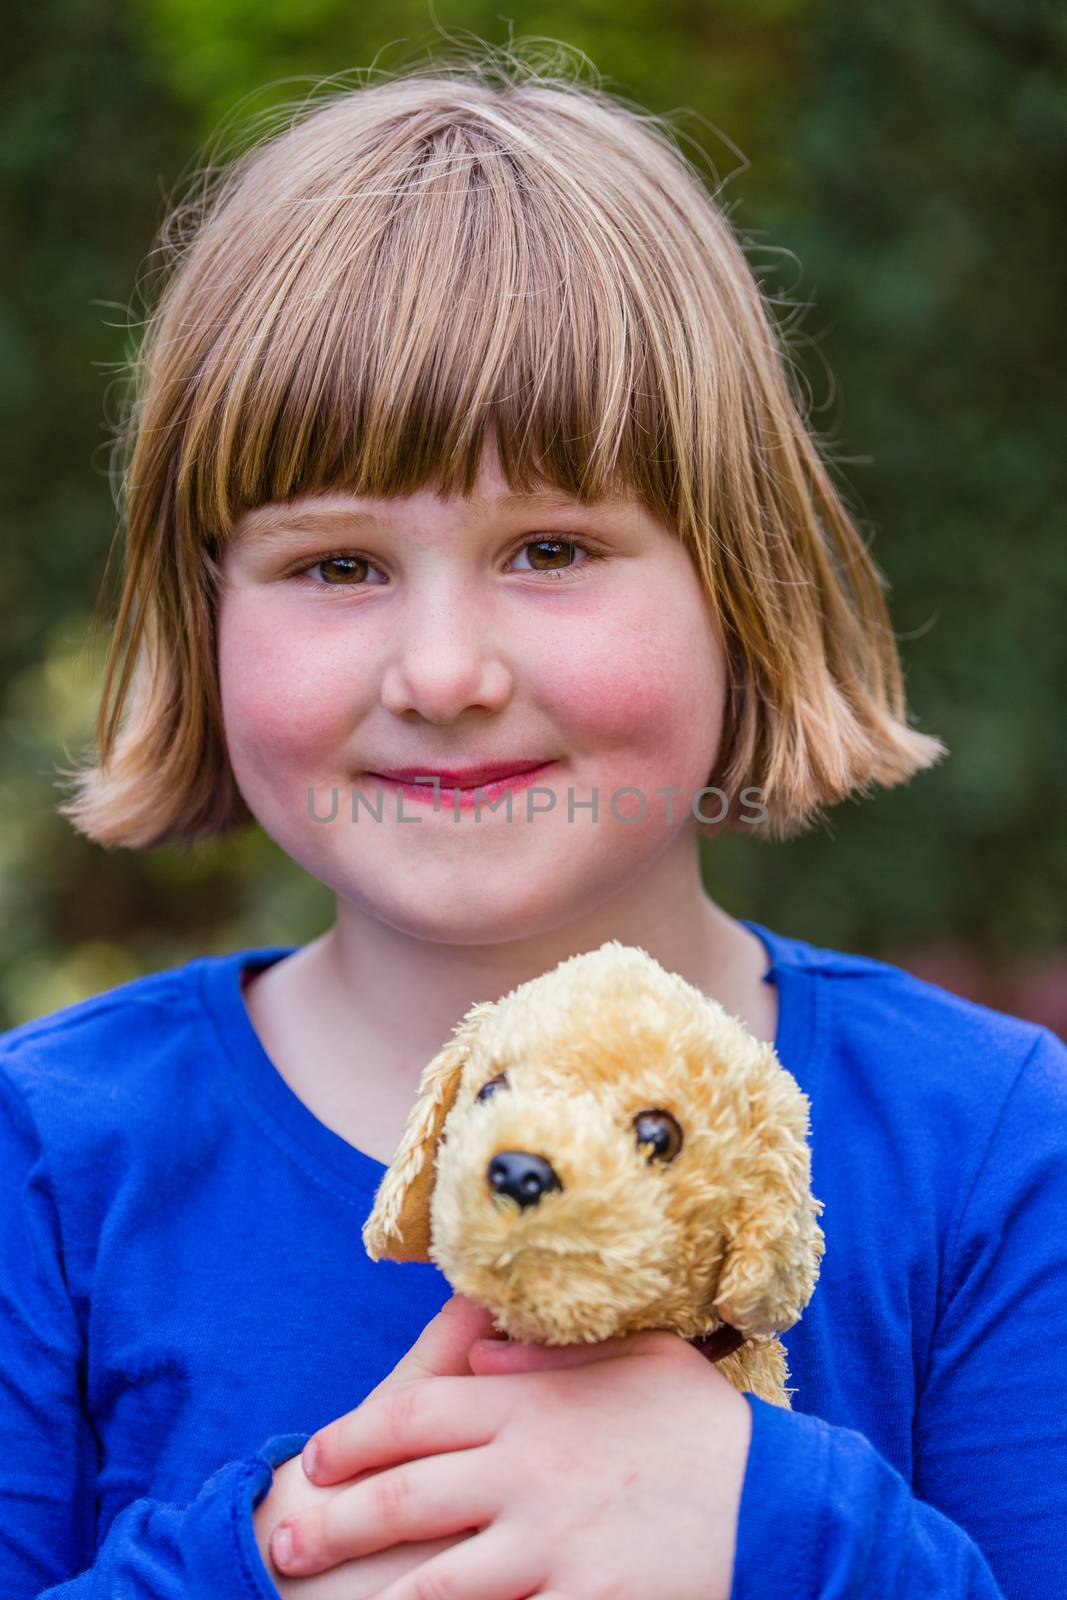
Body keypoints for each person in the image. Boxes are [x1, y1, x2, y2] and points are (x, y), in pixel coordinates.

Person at [1, 41, 1063, 1600]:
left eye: (554, 548)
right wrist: (291, 1557)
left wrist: (759, 1522)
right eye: (338, 566)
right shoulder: (45, 1162)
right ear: (203, 615)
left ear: (737, 587)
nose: (443, 673)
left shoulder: (993, 1150)